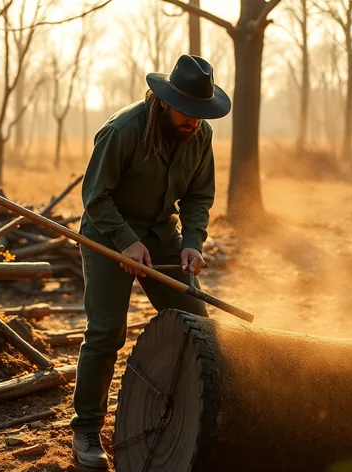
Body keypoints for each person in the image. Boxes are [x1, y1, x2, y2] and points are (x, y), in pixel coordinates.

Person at [70, 54, 231, 468]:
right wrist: (125, 242)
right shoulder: (122, 130)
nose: (194, 120)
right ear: (164, 101)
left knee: (198, 320)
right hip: (108, 233)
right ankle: (86, 427)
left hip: (161, 234)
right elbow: (95, 198)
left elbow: (198, 197)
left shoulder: (201, 135)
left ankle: (196, 411)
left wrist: (192, 242)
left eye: (201, 113)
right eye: (188, 112)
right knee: (107, 333)